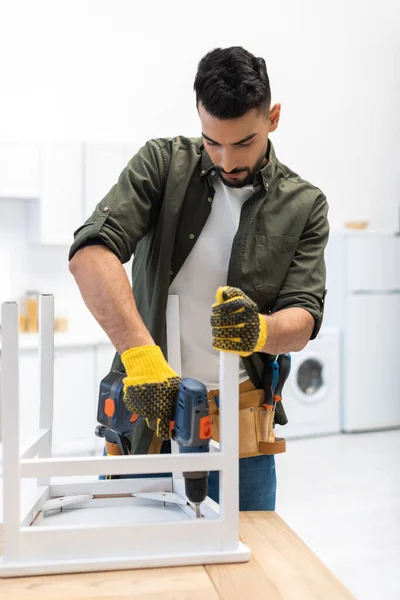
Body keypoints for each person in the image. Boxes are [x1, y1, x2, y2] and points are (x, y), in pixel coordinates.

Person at [69, 46, 329, 511]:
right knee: (145, 577)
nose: (227, 160)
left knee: (245, 577)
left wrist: (261, 330)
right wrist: (141, 357)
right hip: (145, 420)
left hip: (241, 434)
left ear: (273, 117)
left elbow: (304, 318)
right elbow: (90, 254)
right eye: (213, 142)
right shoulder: (162, 164)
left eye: (243, 142)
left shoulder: (305, 204)